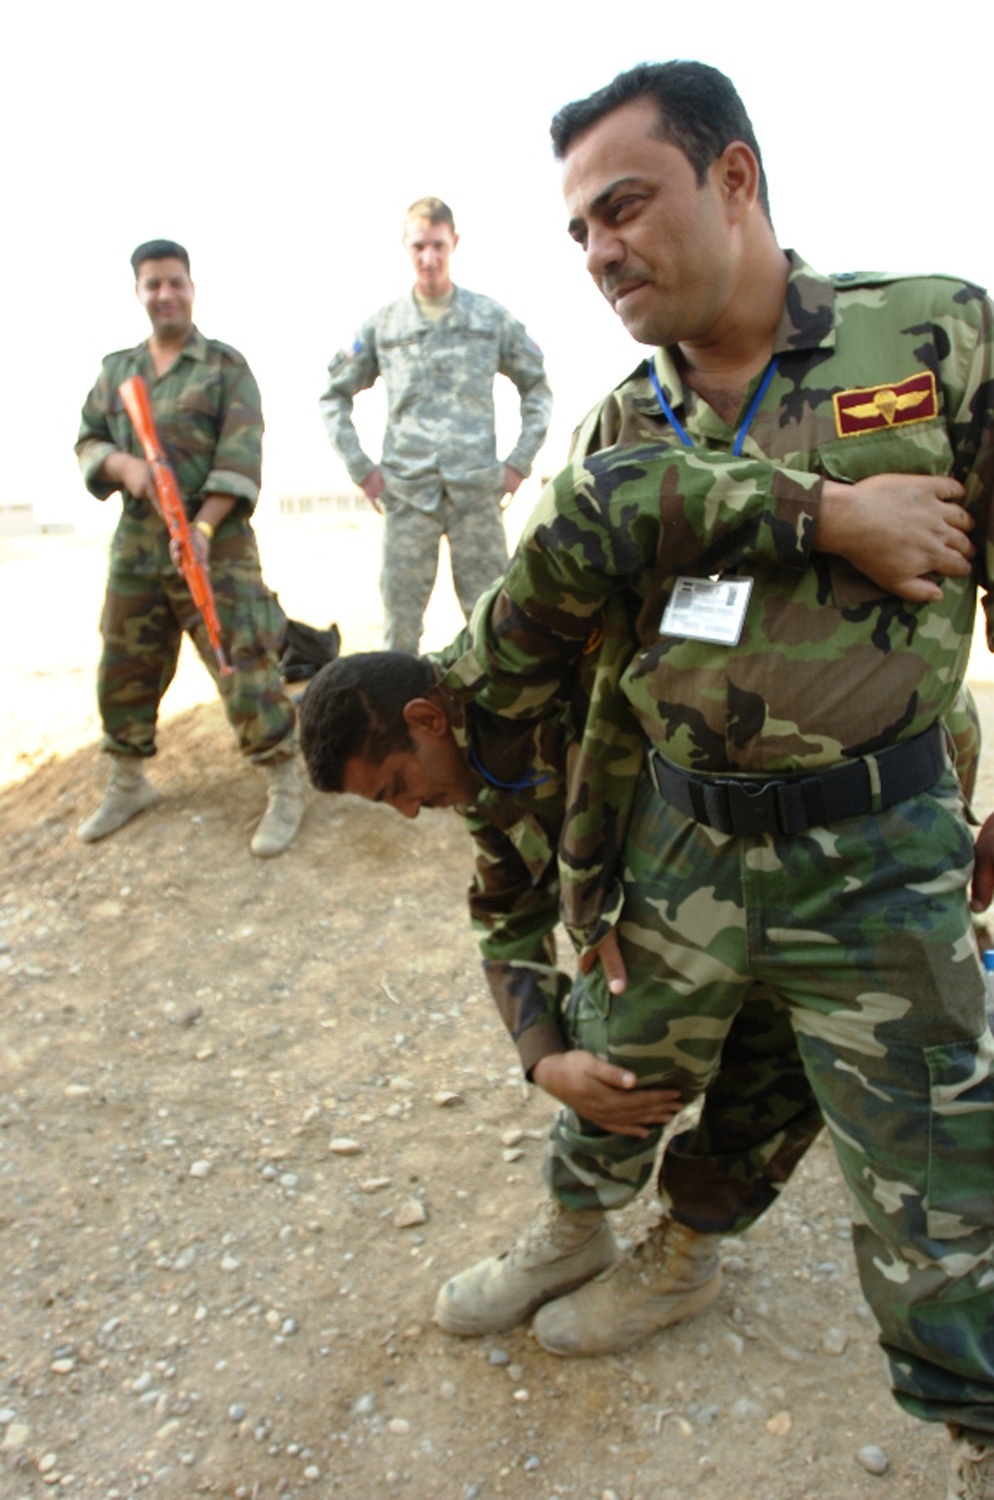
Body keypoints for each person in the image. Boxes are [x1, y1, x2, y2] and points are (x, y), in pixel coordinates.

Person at [438, 62, 994, 1493]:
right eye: (577, 231)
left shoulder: (929, 332)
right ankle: (578, 1229)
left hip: (880, 857)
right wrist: (570, 881)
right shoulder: (621, 431)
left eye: (623, 205)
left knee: (942, 1201)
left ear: (733, 178)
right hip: (679, 846)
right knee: (614, 1067)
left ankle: (958, 1418)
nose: (599, 250)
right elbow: (579, 685)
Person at [75, 239, 304, 857]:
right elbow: (88, 441)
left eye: (175, 282)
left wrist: (200, 529)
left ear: (191, 288)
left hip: (217, 546)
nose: (165, 294)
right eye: (153, 284)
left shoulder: (224, 367)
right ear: (139, 292)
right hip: (139, 547)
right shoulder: (117, 371)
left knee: (243, 661)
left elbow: (241, 452)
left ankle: (284, 780)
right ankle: (127, 780)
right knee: (124, 662)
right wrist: (125, 465)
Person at [319, 197, 552, 654]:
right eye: (419, 246)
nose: (428, 258)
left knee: (496, 623)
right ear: (405, 247)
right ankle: (399, 719)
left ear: (455, 243)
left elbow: (538, 389)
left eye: (438, 246)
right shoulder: (384, 325)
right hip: (407, 495)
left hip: (476, 496)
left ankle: (500, 719)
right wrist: (363, 470)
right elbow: (333, 395)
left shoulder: (489, 318)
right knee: (400, 631)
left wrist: (519, 463)